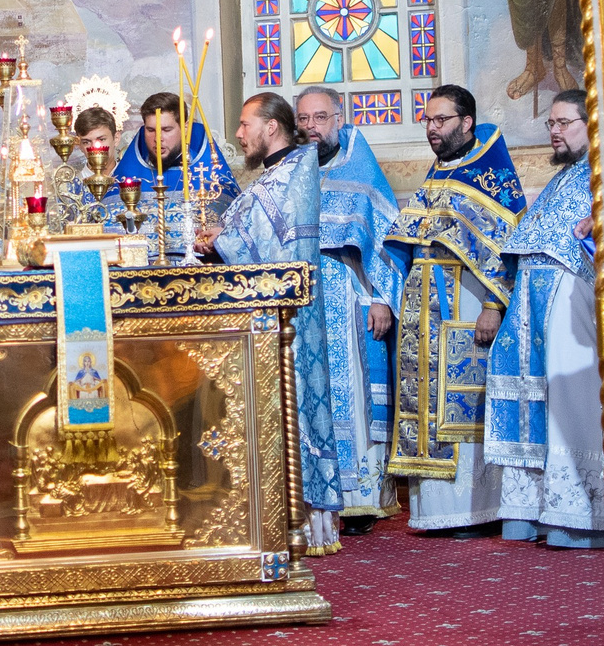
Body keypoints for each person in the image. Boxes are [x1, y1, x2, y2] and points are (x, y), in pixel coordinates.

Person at [383, 85, 528, 532]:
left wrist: (492, 305)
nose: (432, 128)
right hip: (423, 305)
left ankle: (472, 510)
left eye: (441, 120)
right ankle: (433, 512)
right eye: (427, 120)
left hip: (466, 300)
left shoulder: (491, 175)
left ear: (466, 122)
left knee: (462, 399)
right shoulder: (438, 173)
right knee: (425, 397)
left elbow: (508, 247)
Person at [198, 93, 338, 549]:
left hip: (287, 322)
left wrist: (224, 240)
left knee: (289, 412)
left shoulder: (295, 172)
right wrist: (220, 239)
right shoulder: (276, 175)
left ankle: (295, 521)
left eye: (244, 125)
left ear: (271, 128)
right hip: (269, 319)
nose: (239, 135)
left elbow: (270, 247)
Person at [485, 90, 604, 545]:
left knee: (570, 397)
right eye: (551, 123)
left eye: (564, 123)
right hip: (533, 299)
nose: (554, 131)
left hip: (570, 293)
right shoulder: (563, 178)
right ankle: (531, 509)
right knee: (533, 399)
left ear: (591, 124)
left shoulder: (602, 173)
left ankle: (579, 515)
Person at [298, 86, 400, 529]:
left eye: (320, 118)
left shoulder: (362, 169)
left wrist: (381, 298)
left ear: (339, 118)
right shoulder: (293, 169)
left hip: (349, 295)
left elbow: (385, 240)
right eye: (303, 119)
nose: (311, 128)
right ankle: (317, 495)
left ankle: (361, 497)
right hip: (304, 297)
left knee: (353, 395)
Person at [112, 91, 237, 262]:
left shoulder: (207, 175)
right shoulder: (130, 176)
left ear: (185, 128)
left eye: (166, 130)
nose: (158, 138)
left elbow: (234, 236)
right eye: (150, 130)